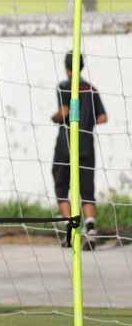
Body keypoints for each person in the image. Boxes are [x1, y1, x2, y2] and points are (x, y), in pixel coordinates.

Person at [50, 51, 107, 248]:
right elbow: (102, 118)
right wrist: (87, 122)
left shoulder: (64, 87)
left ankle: (71, 229)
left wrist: (55, 117)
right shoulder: (91, 89)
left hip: (66, 145)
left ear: (67, 68)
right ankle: (90, 229)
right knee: (86, 190)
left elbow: (65, 111)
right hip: (86, 144)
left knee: (61, 186)